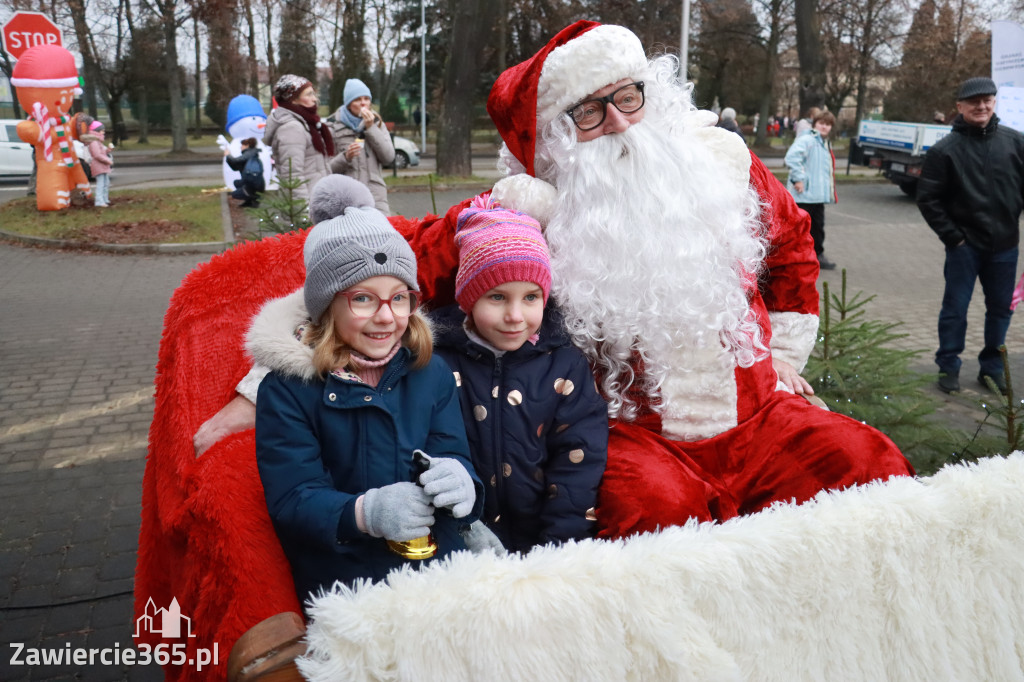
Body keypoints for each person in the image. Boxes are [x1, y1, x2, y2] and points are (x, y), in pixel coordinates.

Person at [195, 21, 913, 539]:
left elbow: (792, 247)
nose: (619, 125)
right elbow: (388, 265)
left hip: (761, 416)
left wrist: (786, 356)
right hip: (629, 434)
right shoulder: (525, 212)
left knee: (866, 468)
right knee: (652, 520)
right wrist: (268, 382)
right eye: (589, 112)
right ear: (557, 136)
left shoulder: (723, 167)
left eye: (626, 98)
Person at [252, 176, 487, 604]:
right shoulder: (287, 391)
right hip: (350, 582)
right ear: (327, 305)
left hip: (441, 571)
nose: (386, 317)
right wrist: (365, 513)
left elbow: (452, 450)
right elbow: (293, 498)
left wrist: (462, 480)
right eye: (363, 298)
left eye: (399, 298)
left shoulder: (429, 371)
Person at [432, 196, 608, 553]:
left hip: (544, 544)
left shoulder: (564, 364)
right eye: (497, 297)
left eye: (530, 297)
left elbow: (578, 458)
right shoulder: (437, 361)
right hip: (460, 548)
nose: (516, 315)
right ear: (468, 299)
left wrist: (560, 549)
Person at [916, 77, 1024, 396]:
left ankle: (991, 367)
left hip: (1005, 246)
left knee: (1001, 309)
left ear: (994, 102)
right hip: (964, 247)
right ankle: (948, 365)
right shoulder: (944, 150)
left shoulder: (1016, 143)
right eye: (973, 101)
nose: (981, 106)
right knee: (955, 308)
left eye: (987, 100)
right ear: (959, 107)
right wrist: (954, 237)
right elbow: (928, 199)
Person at [328, 78, 396, 215]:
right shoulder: (332, 127)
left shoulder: (377, 124)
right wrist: (345, 157)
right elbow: (325, 169)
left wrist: (370, 128)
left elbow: (389, 157)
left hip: (375, 196)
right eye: (358, 99)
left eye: (366, 98)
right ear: (348, 104)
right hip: (346, 197)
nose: (363, 103)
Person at [263, 75, 334, 205]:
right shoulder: (291, 128)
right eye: (309, 94)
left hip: (319, 201)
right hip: (308, 206)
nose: (315, 99)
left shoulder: (308, 124)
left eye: (314, 94)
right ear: (293, 100)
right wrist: (304, 215)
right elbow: (293, 176)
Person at [784, 110, 838, 270]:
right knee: (800, 228)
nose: (824, 127)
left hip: (817, 196)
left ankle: (817, 255)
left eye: (827, 125)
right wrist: (798, 179)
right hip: (803, 195)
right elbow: (792, 157)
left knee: (818, 228)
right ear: (815, 124)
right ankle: (793, 257)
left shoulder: (823, 143)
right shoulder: (808, 139)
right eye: (821, 123)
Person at [224, 137, 264, 208]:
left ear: (247, 145)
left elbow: (236, 161)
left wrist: (228, 155)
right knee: (236, 182)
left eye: (242, 145)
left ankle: (254, 199)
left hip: (252, 184)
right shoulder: (252, 153)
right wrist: (228, 158)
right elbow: (235, 167)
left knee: (235, 194)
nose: (240, 147)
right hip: (255, 183)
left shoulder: (249, 154)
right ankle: (249, 200)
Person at [82, 121, 114, 208]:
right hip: (98, 165)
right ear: (96, 131)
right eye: (102, 131)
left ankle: (104, 199)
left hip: (101, 165)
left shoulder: (97, 141)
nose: (103, 132)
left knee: (105, 182)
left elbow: (101, 152)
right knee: (101, 183)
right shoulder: (94, 142)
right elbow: (97, 155)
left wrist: (107, 150)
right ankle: (99, 201)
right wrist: (108, 161)